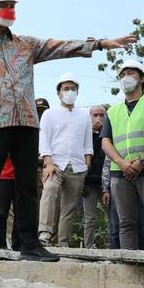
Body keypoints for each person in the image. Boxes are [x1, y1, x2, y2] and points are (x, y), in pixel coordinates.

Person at [0, 0, 135, 262]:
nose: (9, 10)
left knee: (27, 185)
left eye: (13, 6)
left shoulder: (26, 44)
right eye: (4, 5)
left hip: (27, 123)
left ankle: (30, 244)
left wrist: (100, 44)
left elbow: (60, 47)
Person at [101, 59, 144, 251]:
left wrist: (142, 161)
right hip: (120, 173)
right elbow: (105, 141)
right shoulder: (113, 111)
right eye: (123, 74)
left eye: (131, 73)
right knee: (125, 223)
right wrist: (121, 163)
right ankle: (128, 267)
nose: (126, 78)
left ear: (142, 78)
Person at [38, 73, 94, 247]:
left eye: (73, 88)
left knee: (69, 208)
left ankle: (62, 243)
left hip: (77, 168)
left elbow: (88, 145)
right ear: (59, 92)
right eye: (66, 88)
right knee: (49, 191)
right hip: (55, 165)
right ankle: (45, 234)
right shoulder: (49, 114)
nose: (70, 91)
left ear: (78, 91)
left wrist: (86, 166)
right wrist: (48, 162)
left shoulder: (84, 116)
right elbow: (44, 139)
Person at [102, 156, 144, 250]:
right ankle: (117, 256)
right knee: (118, 225)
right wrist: (105, 188)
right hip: (117, 179)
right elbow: (107, 163)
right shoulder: (111, 143)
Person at [82, 105, 109, 248]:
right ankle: (88, 247)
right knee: (89, 217)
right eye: (95, 115)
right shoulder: (85, 135)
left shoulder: (109, 135)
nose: (98, 118)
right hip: (89, 182)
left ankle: (115, 244)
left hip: (105, 182)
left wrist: (102, 132)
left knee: (112, 214)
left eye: (101, 115)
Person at [0, 157, 20, 249]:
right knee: (1, 213)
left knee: (20, 213)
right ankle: (0, 244)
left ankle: (18, 244)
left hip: (21, 176)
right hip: (3, 175)